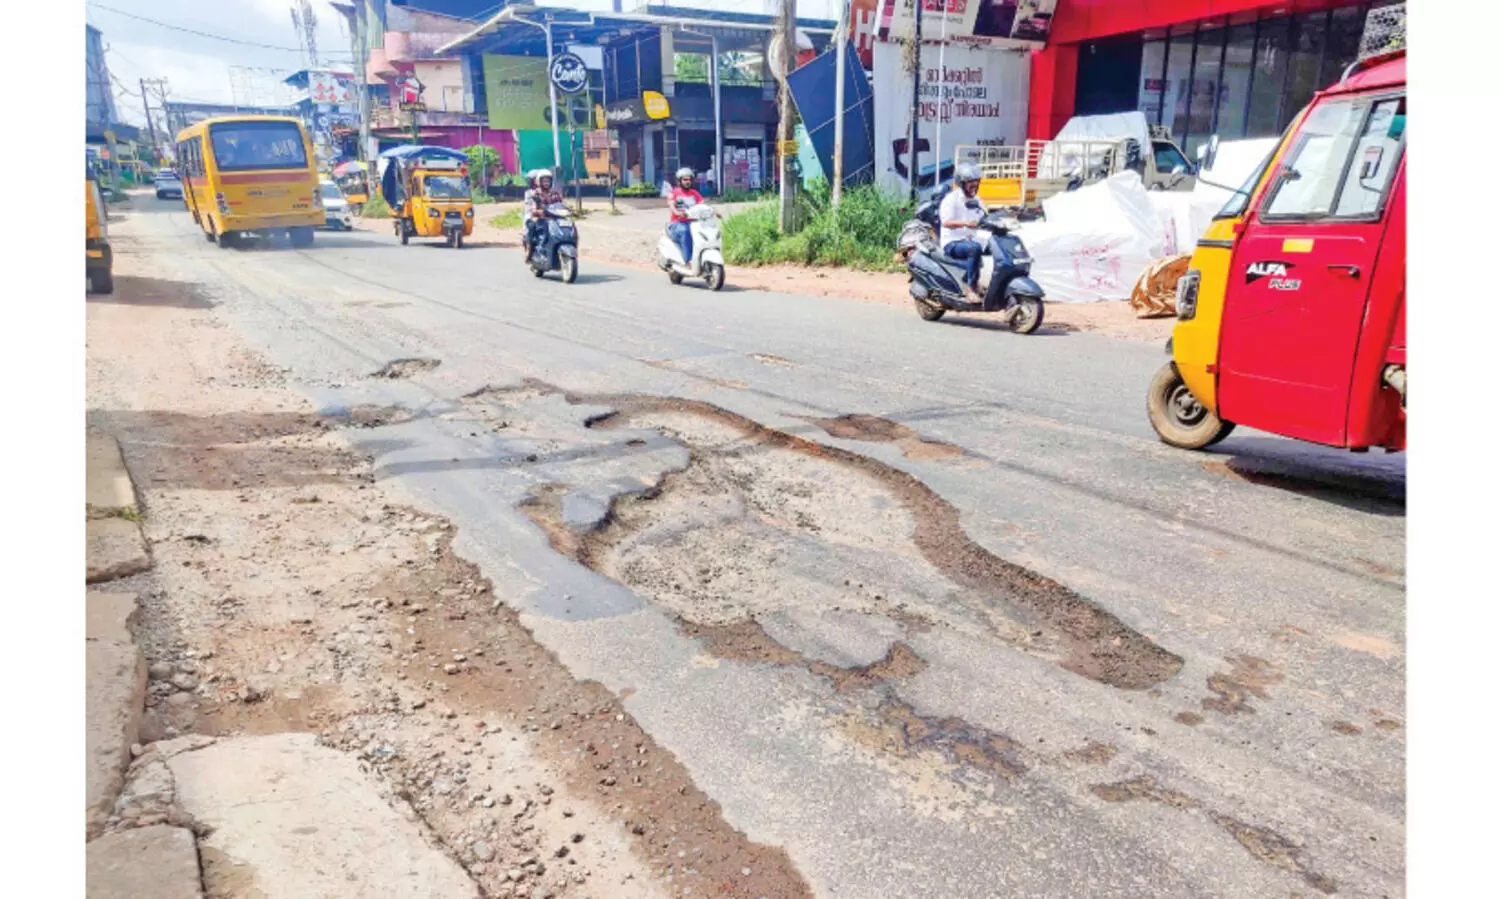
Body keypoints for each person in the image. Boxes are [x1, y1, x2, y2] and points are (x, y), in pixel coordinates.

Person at [939, 162, 986, 302]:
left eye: (977, 182)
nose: (975, 186)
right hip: (952, 242)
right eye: (971, 182)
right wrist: (966, 224)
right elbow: (946, 222)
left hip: (971, 239)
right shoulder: (951, 200)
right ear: (962, 183)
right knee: (974, 248)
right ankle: (970, 289)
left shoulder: (977, 200)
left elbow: (985, 216)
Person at [666, 167, 702, 266]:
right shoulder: (674, 192)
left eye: (689, 180)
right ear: (679, 181)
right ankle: (689, 260)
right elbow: (671, 205)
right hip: (677, 224)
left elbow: (703, 205)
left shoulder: (695, 193)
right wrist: (677, 212)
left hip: (693, 223)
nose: (687, 182)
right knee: (686, 231)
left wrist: (713, 211)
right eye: (685, 180)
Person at [522, 169, 563, 259]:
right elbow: (532, 208)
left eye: (548, 181)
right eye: (544, 181)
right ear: (539, 182)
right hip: (540, 218)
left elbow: (561, 204)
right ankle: (530, 249)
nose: (546, 183)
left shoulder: (555, 193)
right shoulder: (535, 193)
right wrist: (540, 211)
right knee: (533, 226)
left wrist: (567, 211)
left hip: (554, 218)